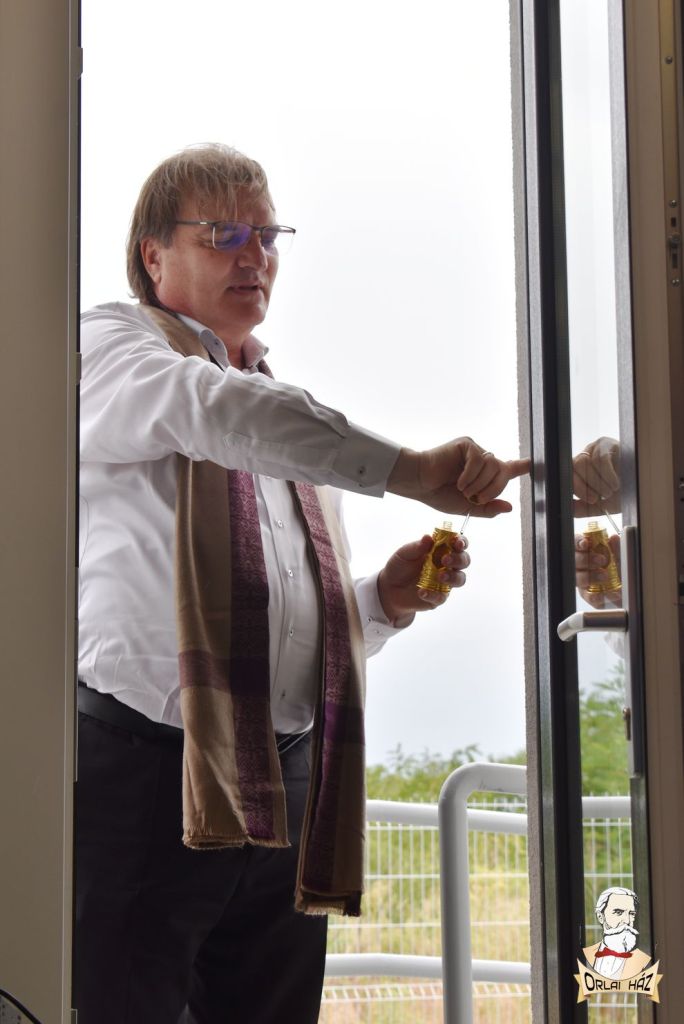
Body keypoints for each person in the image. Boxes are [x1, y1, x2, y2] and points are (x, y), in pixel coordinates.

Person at [76, 143, 528, 1024]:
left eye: (269, 235)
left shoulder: (283, 416)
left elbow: (287, 635)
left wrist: (383, 602)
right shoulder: (114, 348)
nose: (255, 255)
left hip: (279, 783)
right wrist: (409, 470)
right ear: (153, 255)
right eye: (224, 233)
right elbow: (208, 407)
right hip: (141, 779)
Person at [582, 887, 651, 980]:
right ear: (600, 917)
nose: (627, 921)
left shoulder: (643, 960)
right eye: (618, 912)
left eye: (632, 914)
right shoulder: (586, 955)